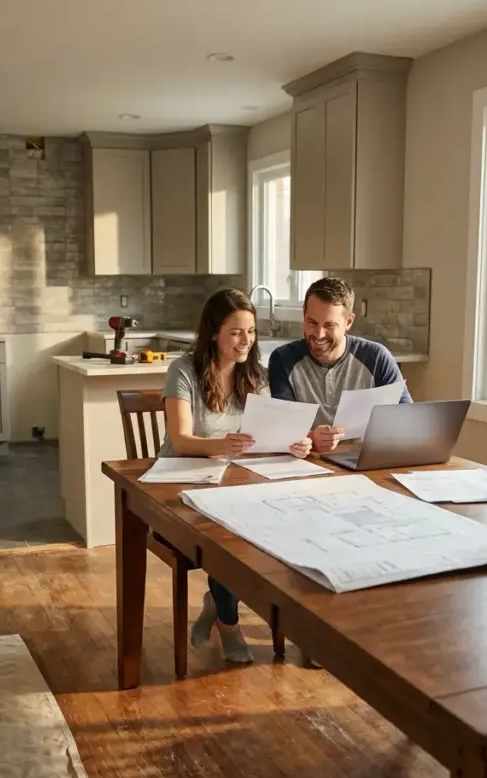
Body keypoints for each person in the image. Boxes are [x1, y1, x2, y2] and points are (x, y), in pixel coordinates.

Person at [159, 287, 312, 664]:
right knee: (227, 538)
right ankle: (229, 623)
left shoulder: (255, 375)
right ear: (214, 332)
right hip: (181, 480)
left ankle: (221, 603)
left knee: (278, 527)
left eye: (251, 332)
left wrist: (293, 443)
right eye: (236, 332)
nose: (246, 342)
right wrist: (220, 446)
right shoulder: (183, 370)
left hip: (234, 479)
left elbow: (262, 436)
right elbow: (179, 440)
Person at [268, 276, 411, 454]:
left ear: (348, 322)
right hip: (308, 463)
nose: (319, 334)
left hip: (365, 459)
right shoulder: (283, 359)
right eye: (312, 323)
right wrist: (311, 436)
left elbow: (406, 419)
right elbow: (283, 426)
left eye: (329, 325)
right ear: (303, 314)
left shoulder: (377, 358)